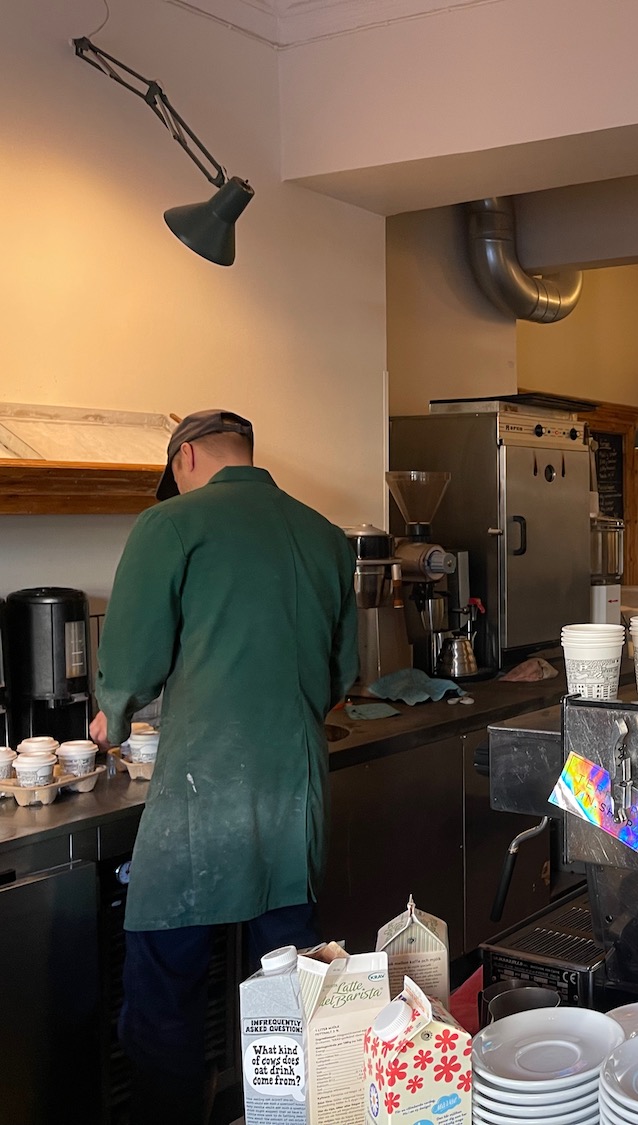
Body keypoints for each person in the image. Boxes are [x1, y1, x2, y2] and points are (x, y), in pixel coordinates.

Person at [90, 409, 359, 1125]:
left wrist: (111, 712)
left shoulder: (171, 524)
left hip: (200, 796)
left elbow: (134, 660)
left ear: (184, 459)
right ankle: (277, 1114)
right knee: (286, 986)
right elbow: (343, 671)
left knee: (165, 987)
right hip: (294, 794)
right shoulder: (326, 537)